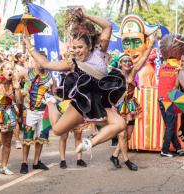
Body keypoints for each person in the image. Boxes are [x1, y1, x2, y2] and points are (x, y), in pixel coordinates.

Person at [22, 7, 127, 155]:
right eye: (74, 48)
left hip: (99, 105)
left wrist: (86, 15)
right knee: (57, 130)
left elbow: (107, 26)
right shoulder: (72, 63)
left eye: (80, 47)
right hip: (80, 105)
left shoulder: (100, 52)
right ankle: (51, 103)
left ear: (89, 46)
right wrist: (30, 48)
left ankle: (89, 143)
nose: (77, 51)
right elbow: (46, 65)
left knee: (121, 124)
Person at [110, 33, 157, 171]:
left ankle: (114, 155)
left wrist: (151, 45)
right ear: (120, 63)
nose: (127, 63)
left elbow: (143, 58)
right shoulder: (115, 75)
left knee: (128, 135)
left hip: (130, 105)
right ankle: (126, 160)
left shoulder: (134, 71)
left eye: (129, 61)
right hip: (119, 107)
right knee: (122, 134)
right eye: (124, 61)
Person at [17, 52, 56, 174]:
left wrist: (50, 99)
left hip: (44, 113)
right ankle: (24, 162)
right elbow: (14, 78)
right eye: (39, 60)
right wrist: (20, 89)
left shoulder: (51, 78)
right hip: (30, 110)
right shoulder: (27, 72)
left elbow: (55, 95)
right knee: (27, 137)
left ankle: (36, 161)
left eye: (44, 61)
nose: (41, 64)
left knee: (41, 138)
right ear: (35, 60)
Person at [0, 61, 22, 179]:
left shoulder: (14, 84)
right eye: (7, 69)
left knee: (7, 142)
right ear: (1, 71)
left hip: (9, 114)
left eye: (11, 69)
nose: (10, 71)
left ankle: (4, 167)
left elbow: (20, 102)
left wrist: (17, 88)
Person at [158, 34, 184, 158]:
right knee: (170, 125)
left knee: (169, 125)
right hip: (172, 99)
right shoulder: (178, 69)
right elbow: (183, 85)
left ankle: (178, 148)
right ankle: (164, 150)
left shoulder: (161, 67)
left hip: (160, 99)